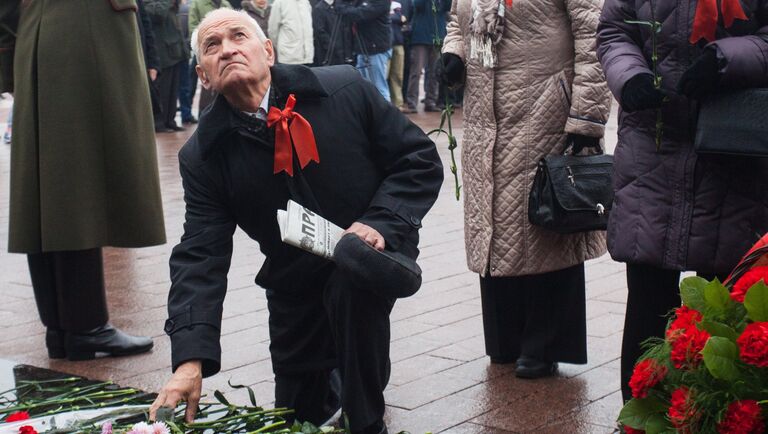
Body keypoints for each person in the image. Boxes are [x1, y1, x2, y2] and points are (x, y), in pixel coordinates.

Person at [149, 9, 443, 434]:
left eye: (238, 36)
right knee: (296, 416)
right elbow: (200, 253)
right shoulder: (203, 157)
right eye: (212, 46)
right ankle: (334, 385)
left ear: (267, 51)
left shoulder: (342, 88)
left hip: (372, 246)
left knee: (350, 281)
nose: (228, 49)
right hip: (294, 274)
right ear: (203, 76)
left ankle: (366, 420)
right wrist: (189, 359)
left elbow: (417, 160)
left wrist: (379, 223)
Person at [596, 0, 768, 402]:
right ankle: (640, 412)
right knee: (647, 293)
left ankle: (713, 413)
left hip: (735, 148)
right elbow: (614, 31)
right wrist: (631, 75)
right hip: (652, 144)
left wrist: (727, 58)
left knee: (726, 301)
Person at [440, 0, 611, 378]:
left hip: (547, 109)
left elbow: (594, 34)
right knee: (496, 224)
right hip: (486, 115)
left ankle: (544, 343)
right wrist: (453, 52)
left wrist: (586, 118)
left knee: (542, 224)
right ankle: (506, 339)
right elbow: (458, 19)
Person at [0, 0, 166, 360]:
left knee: (51, 181)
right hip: (84, 35)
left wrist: (18, 53)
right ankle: (86, 326)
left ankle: (64, 326)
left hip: (44, 33)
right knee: (77, 179)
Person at [145, 0, 190, 132]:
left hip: (175, 52)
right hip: (163, 53)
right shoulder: (150, 3)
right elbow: (157, 14)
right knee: (163, 91)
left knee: (173, 90)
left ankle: (170, 120)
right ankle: (161, 123)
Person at [333, 0, 392, 100]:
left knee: (379, 89)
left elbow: (361, 14)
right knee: (365, 89)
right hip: (363, 49)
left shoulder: (381, 2)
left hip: (376, 50)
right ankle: (371, 114)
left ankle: (385, 114)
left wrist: (341, 7)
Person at [405, 0, 449, 113]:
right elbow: (417, 5)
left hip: (438, 36)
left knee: (435, 72)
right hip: (420, 37)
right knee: (416, 71)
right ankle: (411, 103)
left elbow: (448, 6)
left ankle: (431, 101)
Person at [268, 0, 314, 65]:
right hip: (288, 58)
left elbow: (308, 28)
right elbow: (272, 31)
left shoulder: (306, 2)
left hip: (307, 58)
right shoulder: (279, 2)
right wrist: (283, 49)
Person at [387, 1, 407, 110]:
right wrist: (395, 17)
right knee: (383, 75)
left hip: (398, 43)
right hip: (385, 45)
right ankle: (384, 102)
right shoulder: (377, 3)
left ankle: (398, 103)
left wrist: (390, 16)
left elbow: (400, 18)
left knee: (398, 75)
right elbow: (399, 18)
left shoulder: (397, 4)